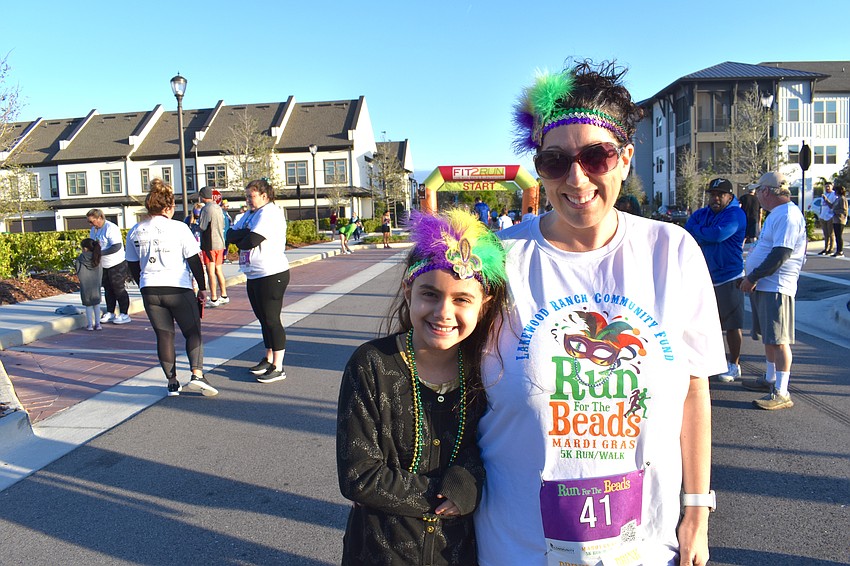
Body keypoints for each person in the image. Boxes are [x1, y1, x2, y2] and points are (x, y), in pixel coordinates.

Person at [476, 60, 725, 566]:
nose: (577, 177)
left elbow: (694, 390)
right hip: (518, 544)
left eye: (596, 155)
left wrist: (696, 513)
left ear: (626, 158)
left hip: (643, 544)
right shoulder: (497, 258)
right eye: (554, 160)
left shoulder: (671, 251)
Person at [336, 209, 508, 565]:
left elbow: (494, 447)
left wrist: (470, 479)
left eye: (462, 299)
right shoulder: (371, 365)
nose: (444, 312)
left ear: (484, 303)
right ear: (408, 291)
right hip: (381, 553)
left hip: (457, 553)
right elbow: (359, 476)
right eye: (430, 294)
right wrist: (441, 493)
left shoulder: (486, 370)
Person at [125, 179, 218, 397]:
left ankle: (172, 382)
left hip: (150, 288)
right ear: (168, 207)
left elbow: (131, 263)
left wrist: (142, 284)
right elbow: (194, 259)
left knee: (164, 335)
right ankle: (196, 374)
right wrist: (202, 287)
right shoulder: (179, 228)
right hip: (177, 285)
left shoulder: (136, 231)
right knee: (192, 331)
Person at [740, 172, 807, 411]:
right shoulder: (778, 214)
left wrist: (754, 277)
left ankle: (782, 391)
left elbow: (781, 253)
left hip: (776, 285)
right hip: (767, 285)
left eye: (758, 191)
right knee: (770, 337)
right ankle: (770, 379)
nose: (756, 195)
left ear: (766, 192)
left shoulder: (788, 215)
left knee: (779, 340)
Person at [226, 179, 290, 384]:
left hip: (271, 272)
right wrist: (241, 235)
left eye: (251, 196)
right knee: (263, 319)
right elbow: (230, 234)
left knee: (272, 319)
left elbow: (250, 241)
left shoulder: (270, 213)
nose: (248, 200)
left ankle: (278, 366)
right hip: (253, 273)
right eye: (246, 196)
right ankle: (269, 357)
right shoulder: (250, 214)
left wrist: (241, 236)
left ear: (265, 196)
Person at [684, 178, 747, 382]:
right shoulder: (704, 213)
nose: (715, 198)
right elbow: (688, 228)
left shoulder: (736, 214)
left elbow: (719, 235)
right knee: (704, 324)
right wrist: (704, 234)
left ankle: (734, 364)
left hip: (730, 276)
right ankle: (709, 363)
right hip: (705, 276)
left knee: (732, 324)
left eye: (720, 194)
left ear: (730, 196)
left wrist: (701, 234)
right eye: (712, 194)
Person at [87, 208, 132, 325]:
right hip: (104, 264)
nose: (91, 224)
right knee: (108, 288)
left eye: (92, 221)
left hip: (116, 263)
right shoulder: (94, 230)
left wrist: (100, 253)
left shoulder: (111, 228)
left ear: (100, 218)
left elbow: (116, 246)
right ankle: (110, 312)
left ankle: (124, 313)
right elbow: (93, 244)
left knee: (118, 288)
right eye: (89, 222)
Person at [197, 186, 229, 307]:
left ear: (202, 196)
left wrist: (195, 225)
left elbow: (202, 227)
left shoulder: (206, 209)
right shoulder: (218, 208)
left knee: (210, 271)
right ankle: (224, 295)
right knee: (218, 270)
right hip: (220, 243)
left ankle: (214, 298)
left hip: (209, 244)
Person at [75, 238, 103, 331]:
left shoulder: (81, 258)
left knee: (88, 305)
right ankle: (98, 324)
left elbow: (78, 271)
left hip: (85, 284)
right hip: (96, 284)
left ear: (85, 248)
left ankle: (90, 325)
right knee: (97, 304)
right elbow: (101, 272)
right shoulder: (97, 258)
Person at [817, 181, 836, 255]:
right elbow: (822, 206)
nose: (827, 188)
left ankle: (831, 248)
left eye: (829, 186)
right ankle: (826, 248)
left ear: (832, 186)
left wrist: (826, 199)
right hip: (823, 216)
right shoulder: (824, 194)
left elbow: (832, 206)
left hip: (830, 216)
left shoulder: (834, 195)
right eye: (826, 186)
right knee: (825, 234)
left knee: (830, 233)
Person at [829, 184, 847, 258]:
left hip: (840, 220)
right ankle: (838, 250)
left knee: (839, 236)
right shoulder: (837, 199)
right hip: (835, 220)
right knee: (837, 235)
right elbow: (832, 206)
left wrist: (835, 211)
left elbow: (844, 210)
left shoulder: (842, 199)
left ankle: (840, 251)